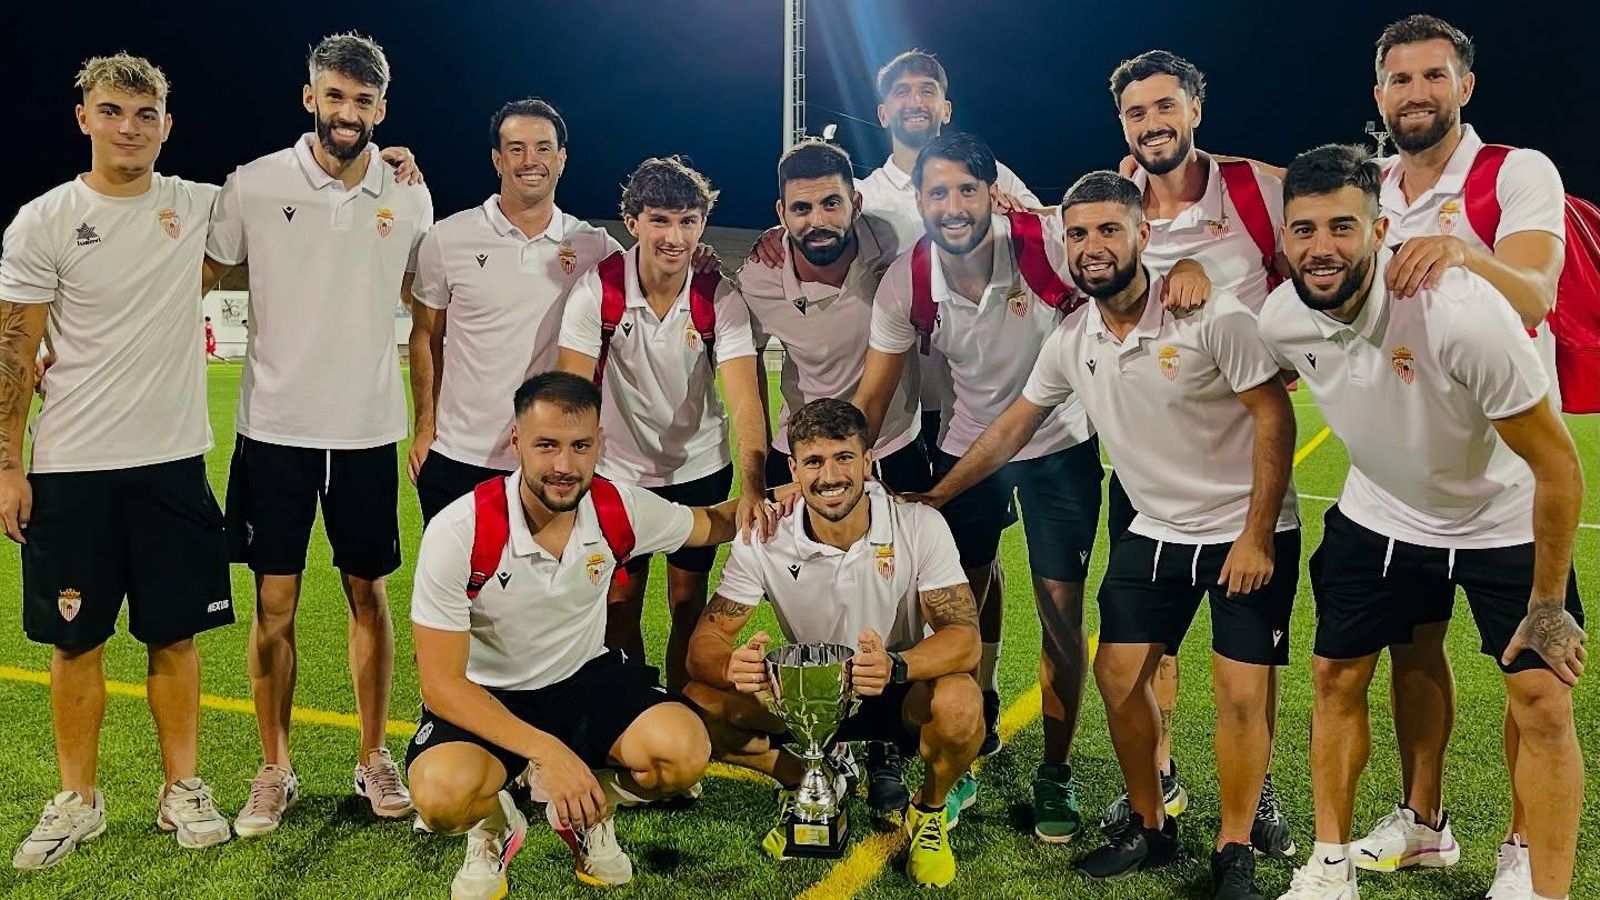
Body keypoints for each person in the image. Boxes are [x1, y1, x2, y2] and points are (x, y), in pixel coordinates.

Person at [926, 170, 1298, 898]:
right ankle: (1151, 827)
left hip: (1241, 531)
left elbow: (1273, 414)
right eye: (1078, 234)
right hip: (1155, 529)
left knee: (1240, 694)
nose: (1091, 246)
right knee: (1118, 675)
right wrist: (939, 493)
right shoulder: (1074, 337)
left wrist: (1258, 533)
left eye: (1107, 230)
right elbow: (1013, 427)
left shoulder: (1213, 317)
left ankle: (1234, 848)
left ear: (1142, 235)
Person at [1260, 144, 1585, 900]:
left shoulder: (1463, 317)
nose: (1321, 248)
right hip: (1382, 514)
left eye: (1343, 227)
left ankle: (1539, 880)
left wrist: (1546, 606)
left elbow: (1559, 467)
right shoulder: (1283, 319)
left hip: (1502, 519)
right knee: (1335, 676)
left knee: (1541, 700)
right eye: (1303, 230)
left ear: (1382, 233)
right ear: (1284, 240)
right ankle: (1340, 864)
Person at [1352, 18, 1573, 898]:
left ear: (1464, 86)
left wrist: (1463, 251)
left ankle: (1522, 853)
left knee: (1536, 687)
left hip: (1506, 489)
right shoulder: (1369, 186)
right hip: (1404, 489)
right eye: (1400, 79)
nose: (1416, 93)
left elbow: (1537, 294)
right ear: (1379, 95)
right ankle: (1424, 823)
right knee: (1412, 657)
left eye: (1433, 76)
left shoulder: (1513, 173)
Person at [3, 53, 233, 868]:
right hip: (72, 464)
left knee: (175, 635)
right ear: (84, 118)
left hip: (172, 462)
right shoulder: (44, 220)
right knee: (76, 642)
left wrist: (387, 166)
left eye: (144, 115)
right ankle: (78, 799)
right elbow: (15, 350)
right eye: (111, 111)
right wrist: (7, 466)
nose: (128, 128)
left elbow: (297, 202)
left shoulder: (199, 205)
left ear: (167, 125)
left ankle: (183, 789)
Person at [205, 32, 433, 836]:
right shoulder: (254, 184)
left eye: (363, 101)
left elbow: (430, 310)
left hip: (367, 431)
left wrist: (427, 418)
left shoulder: (409, 194)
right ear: (310, 97)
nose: (347, 112)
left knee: (369, 595)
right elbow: (201, 273)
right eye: (334, 96)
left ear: (382, 109)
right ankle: (275, 767)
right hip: (275, 430)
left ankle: (373, 756)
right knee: (275, 603)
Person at [856, 132, 1104, 843]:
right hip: (967, 449)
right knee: (954, 608)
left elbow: (1124, 260)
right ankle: (968, 735)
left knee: (1060, 613)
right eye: (937, 192)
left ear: (993, 194)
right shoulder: (908, 279)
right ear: (919, 199)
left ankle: (1056, 771)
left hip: (1061, 446)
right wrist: (840, 461)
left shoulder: (1046, 245)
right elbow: (873, 395)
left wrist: (1191, 272)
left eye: (967, 189)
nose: (953, 206)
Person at [407, 372, 735, 897]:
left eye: (580, 446)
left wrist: (812, 490)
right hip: (488, 695)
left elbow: (712, 523)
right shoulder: (460, 530)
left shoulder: (617, 508)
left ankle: (586, 809)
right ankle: (493, 824)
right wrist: (548, 752)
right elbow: (440, 686)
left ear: (599, 443)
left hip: (581, 679)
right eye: (547, 446)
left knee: (683, 753)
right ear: (516, 442)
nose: (564, 465)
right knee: (440, 798)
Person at [1096, 49, 1295, 858]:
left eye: (1165, 107)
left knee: (1249, 659)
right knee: (1151, 645)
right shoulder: (1118, 197)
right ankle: (1161, 774)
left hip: (1245, 471)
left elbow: (1328, 238)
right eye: (1136, 112)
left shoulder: (1254, 189)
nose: (1152, 124)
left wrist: (1285, 348)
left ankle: (1261, 787)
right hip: (1149, 469)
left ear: (1195, 111)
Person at [684, 398, 982, 888]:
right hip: (811, 694)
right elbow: (707, 642)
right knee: (700, 702)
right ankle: (809, 778)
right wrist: (731, 667)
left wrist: (896, 665)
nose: (830, 476)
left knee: (961, 701)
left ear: (867, 462)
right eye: (814, 461)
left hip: (893, 683)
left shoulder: (917, 525)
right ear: (793, 470)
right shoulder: (764, 535)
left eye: (844, 457)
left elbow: (964, 641)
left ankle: (928, 811)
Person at [557, 156, 771, 693]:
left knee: (687, 603)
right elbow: (571, 399)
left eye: (687, 221)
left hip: (699, 470)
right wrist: (572, 482)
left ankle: (680, 708)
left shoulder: (718, 296)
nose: (675, 237)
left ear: (702, 224)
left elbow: (746, 401)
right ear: (632, 222)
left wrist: (754, 485)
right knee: (620, 603)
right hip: (619, 476)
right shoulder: (597, 290)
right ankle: (634, 707)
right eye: (660, 220)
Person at [408, 97, 620, 524]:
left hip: (549, 462)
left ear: (561, 160)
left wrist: (705, 260)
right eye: (516, 148)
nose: (530, 160)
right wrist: (425, 427)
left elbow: (658, 272)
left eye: (543, 148)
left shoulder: (595, 247)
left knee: (545, 569)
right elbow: (426, 335)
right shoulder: (448, 238)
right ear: (497, 159)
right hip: (457, 455)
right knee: (453, 570)